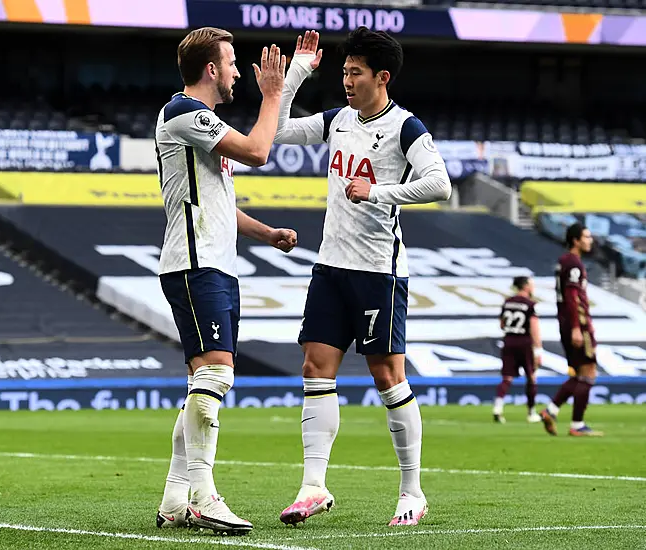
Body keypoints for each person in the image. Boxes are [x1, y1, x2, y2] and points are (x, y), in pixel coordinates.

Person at [274, 28, 451, 527]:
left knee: (387, 377)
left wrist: (377, 192)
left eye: (356, 72)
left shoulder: (405, 128)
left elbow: (441, 184)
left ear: (382, 77)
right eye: (344, 71)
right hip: (331, 265)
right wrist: (296, 74)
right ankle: (312, 487)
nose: (347, 80)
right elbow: (279, 131)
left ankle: (412, 491)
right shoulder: (338, 121)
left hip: (379, 271)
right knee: (314, 368)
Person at [154, 27, 298, 534]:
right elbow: (259, 151)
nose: (239, 72)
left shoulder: (201, 123)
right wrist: (275, 95)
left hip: (214, 262)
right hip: (196, 264)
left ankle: (176, 498)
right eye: (232, 63)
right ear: (211, 69)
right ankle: (203, 495)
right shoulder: (183, 113)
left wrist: (267, 232)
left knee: (204, 380)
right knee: (215, 375)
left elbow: (221, 202)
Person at [539, 223, 603, 437]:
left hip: (565, 323)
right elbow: (572, 297)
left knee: (579, 372)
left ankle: (551, 411)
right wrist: (577, 327)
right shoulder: (574, 263)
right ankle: (577, 425)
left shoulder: (563, 261)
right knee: (589, 372)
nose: (590, 240)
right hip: (578, 324)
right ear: (575, 240)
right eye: (586, 236)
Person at [493, 276, 542, 424]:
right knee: (531, 377)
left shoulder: (507, 302)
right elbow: (534, 328)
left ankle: (498, 408)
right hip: (524, 342)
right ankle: (531, 413)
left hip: (508, 340)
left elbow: (502, 324)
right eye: (531, 284)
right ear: (526, 286)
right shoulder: (530, 304)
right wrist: (538, 350)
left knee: (507, 377)